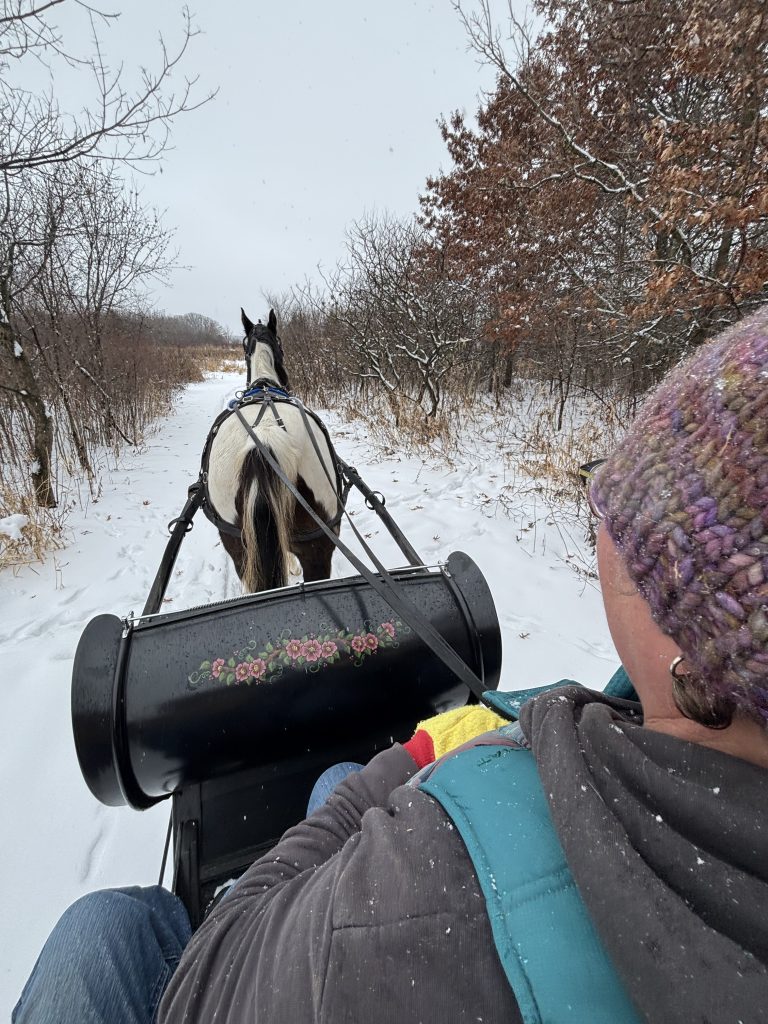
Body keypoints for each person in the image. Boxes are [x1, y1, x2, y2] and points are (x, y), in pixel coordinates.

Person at [15, 310, 768, 1023]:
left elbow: (220, 977)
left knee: (105, 925)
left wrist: (392, 770)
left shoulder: (421, 901)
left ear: (692, 616)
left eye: (617, 509)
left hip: (274, 937)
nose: (600, 524)